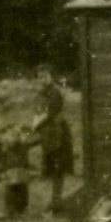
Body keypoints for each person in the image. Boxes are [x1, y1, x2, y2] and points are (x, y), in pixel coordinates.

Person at [34, 67, 74, 211]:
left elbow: (49, 113)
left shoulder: (54, 92)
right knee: (52, 168)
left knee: (58, 168)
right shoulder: (42, 93)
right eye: (40, 77)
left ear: (50, 77)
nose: (43, 79)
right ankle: (55, 201)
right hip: (48, 134)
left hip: (58, 134)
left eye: (45, 76)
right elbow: (38, 110)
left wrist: (36, 123)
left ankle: (56, 201)